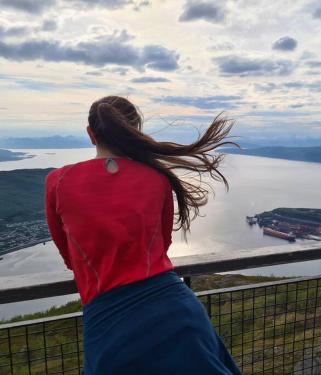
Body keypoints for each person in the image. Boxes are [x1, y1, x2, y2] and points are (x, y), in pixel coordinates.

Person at [44, 95, 242, 374]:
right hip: (179, 312)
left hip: (110, 326)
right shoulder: (157, 178)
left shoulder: (58, 182)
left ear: (91, 134)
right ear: (135, 132)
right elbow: (162, 245)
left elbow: (70, 258)